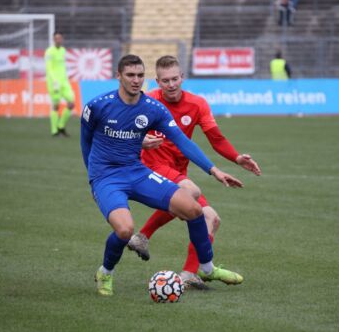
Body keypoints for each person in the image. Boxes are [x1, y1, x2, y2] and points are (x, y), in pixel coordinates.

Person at [80, 54, 244, 296]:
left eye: (139, 75)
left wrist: (213, 170)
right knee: (125, 230)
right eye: (130, 75)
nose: (135, 80)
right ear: (118, 76)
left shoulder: (153, 108)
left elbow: (183, 142)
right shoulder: (97, 106)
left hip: (137, 172)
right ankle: (105, 272)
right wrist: (93, 179)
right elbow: (86, 142)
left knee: (193, 208)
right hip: (107, 178)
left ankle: (206, 268)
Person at [128, 55, 262, 289]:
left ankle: (189, 274)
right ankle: (143, 236)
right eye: (165, 80)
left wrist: (237, 158)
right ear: (157, 82)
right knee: (189, 193)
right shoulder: (147, 102)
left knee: (212, 218)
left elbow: (216, 138)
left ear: (182, 77)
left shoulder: (197, 104)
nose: (171, 85)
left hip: (178, 170)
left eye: (175, 79)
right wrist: (140, 139)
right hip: (153, 166)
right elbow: (124, 133)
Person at [45, 31, 74, 137]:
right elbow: (49, 68)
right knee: (56, 106)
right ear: (53, 39)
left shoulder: (63, 50)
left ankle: (61, 126)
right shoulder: (49, 52)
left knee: (71, 103)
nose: (58, 40)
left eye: (60, 38)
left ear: (62, 39)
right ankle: (54, 131)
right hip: (54, 83)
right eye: (56, 38)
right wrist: (54, 80)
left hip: (64, 82)